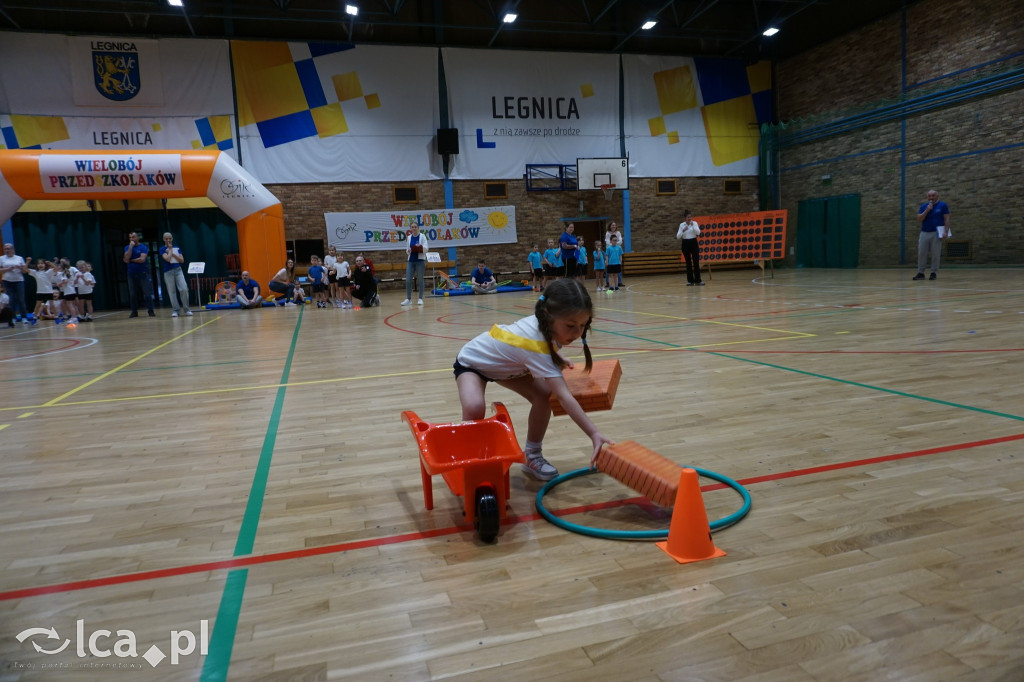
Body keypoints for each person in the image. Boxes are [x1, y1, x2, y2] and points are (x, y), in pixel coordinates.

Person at [454, 278, 613, 481]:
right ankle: (468, 460)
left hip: (509, 367)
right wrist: (594, 433)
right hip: (473, 363)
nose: (577, 332)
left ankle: (532, 455)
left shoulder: (547, 326)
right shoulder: (537, 345)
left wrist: (556, 356)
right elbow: (564, 396)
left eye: (583, 325)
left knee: (544, 395)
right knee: (475, 407)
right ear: (548, 316)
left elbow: (539, 348)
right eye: (571, 325)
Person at [914, 189, 950, 281]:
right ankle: (921, 273)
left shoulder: (943, 205)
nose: (931, 197)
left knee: (935, 253)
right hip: (924, 232)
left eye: (933, 195)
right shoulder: (924, 206)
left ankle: (933, 272)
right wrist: (927, 210)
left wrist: (946, 232)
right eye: (929, 196)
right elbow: (919, 219)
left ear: (937, 196)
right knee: (922, 253)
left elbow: (946, 219)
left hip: (936, 233)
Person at [159, 232, 194, 317]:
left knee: (184, 289)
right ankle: (176, 310)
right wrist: (170, 250)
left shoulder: (177, 248)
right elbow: (167, 259)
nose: (168, 240)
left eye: (170, 238)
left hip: (178, 270)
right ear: (163, 239)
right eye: (166, 239)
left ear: (172, 238)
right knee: (172, 291)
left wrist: (173, 253)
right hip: (168, 272)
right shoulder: (162, 249)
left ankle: (187, 309)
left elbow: (182, 260)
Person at [123, 232, 155, 317]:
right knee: (132, 294)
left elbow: (142, 259)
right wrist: (130, 247)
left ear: (138, 237)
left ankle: (150, 310)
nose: (132, 239)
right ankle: (134, 311)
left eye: (133, 237)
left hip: (143, 273)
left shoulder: (143, 247)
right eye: (130, 237)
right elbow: (126, 259)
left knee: (147, 292)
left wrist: (131, 260)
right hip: (131, 274)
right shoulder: (127, 247)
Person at [0, 243, 30, 323]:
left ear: (13, 249)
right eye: (5, 249)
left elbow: (24, 271)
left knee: (21, 300)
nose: (7, 250)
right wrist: (8, 269)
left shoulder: (19, 258)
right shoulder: (1, 258)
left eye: (9, 248)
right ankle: (12, 317)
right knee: (11, 300)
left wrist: (21, 268)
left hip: (19, 281)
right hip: (7, 281)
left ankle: (24, 317)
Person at [401, 224, 429, 306]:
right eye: (412, 227)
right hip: (411, 261)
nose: (414, 228)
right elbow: (407, 250)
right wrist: (409, 250)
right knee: (408, 280)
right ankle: (408, 299)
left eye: (415, 227)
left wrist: (420, 247)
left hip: (420, 260)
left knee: (420, 279)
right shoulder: (409, 237)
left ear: (418, 228)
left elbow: (426, 248)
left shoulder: (422, 236)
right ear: (410, 229)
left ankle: (420, 298)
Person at [676, 210, 704, 286]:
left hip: (693, 243)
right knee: (688, 262)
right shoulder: (682, 225)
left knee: (696, 262)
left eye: (690, 217)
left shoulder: (694, 223)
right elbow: (678, 236)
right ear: (685, 218)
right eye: (688, 217)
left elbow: (698, 233)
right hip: (685, 243)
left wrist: (693, 226)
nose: (690, 218)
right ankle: (690, 281)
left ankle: (698, 280)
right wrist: (683, 230)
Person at [604, 222, 624, 287]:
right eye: (612, 225)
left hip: (616, 256)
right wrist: (613, 244)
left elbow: (620, 241)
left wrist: (615, 244)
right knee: (610, 273)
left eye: (615, 225)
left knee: (616, 273)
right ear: (610, 226)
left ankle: (618, 284)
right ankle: (609, 286)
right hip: (610, 254)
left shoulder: (618, 233)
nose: (613, 226)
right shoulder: (607, 233)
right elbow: (607, 242)